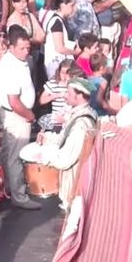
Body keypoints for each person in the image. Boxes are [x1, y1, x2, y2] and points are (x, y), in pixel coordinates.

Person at [20, 79, 102, 210]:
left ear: (79, 95)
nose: (65, 96)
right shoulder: (81, 115)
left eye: (68, 93)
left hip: (74, 188)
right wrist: (49, 138)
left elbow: (64, 160)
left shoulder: (81, 124)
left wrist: (43, 156)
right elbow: (66, 137)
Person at [0, 26, 42, 210]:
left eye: (28, 48)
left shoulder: (17, 61)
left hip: (14, 114)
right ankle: (18, 195)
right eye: (22, 48)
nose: (26, 52)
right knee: (15, 156)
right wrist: (30, 116)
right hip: (17, 116)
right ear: (11, 47)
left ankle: (7, 188)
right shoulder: (11, 67)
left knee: (7, 153)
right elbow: (14, 101)